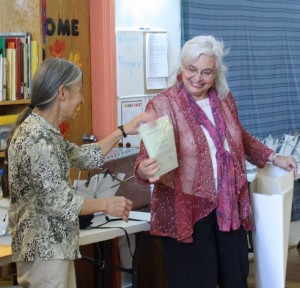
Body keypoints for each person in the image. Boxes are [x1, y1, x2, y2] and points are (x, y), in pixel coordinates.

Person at [134, 35, 298, 288]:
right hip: (189, 209)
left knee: (235, 278)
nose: (197, 78)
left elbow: (239, 137)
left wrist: (274, 157)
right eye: (192, 69)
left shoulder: (223, 99)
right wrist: (145, 171)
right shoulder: (163, 104)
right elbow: (146, 159)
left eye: (206, 72)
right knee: (197, 281)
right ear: (182, 66)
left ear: (216, 73)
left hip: (227, 203)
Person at [1, 58, 154, 288]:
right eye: (79, 91)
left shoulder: (46, 132)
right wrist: (107, 204)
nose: (82, 99)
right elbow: (61, 203)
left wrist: (123, 130)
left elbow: (85, 156)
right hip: (44, 252)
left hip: (53, 250)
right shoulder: (37, 138)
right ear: (62, 93)